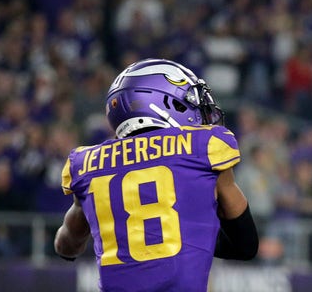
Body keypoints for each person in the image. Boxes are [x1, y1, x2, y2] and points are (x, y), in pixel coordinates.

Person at [54, 58, 259, 291]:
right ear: (164, 102)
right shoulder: (204, 146)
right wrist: (188, 232)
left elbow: (66, 245)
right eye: (189, 102)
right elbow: (245, 244)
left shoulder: (86, 164)